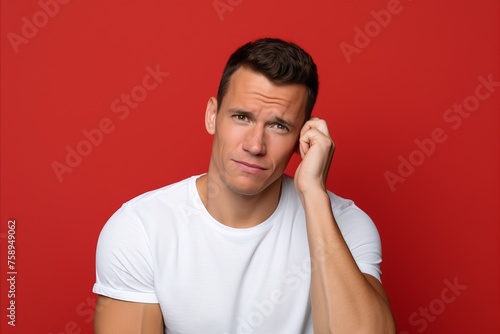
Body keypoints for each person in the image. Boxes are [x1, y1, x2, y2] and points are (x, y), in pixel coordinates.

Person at [92, 38, 396, 334]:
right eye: (241, 117)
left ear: (302, 139)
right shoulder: (141, 229)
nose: (255, 145)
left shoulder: (344, 223)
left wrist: (314, 196)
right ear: (213, 116)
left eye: (279, 126)